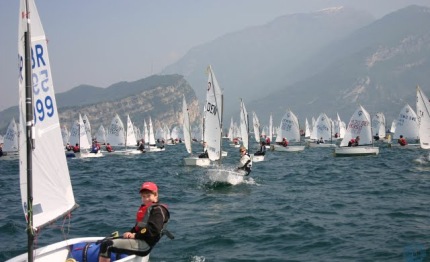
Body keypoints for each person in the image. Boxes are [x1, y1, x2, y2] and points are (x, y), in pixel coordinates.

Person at [98, 182, 172, 262]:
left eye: (148, 196)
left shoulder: (158, 210)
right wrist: (130, 232)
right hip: (140, 240)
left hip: (145, 245)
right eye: (143, 196)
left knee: (107, 245)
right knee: (106, 241)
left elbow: (154, 230)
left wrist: (135, 235)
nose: (146, 199)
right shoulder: (148, 208)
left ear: (155, 195)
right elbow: (139, 226)